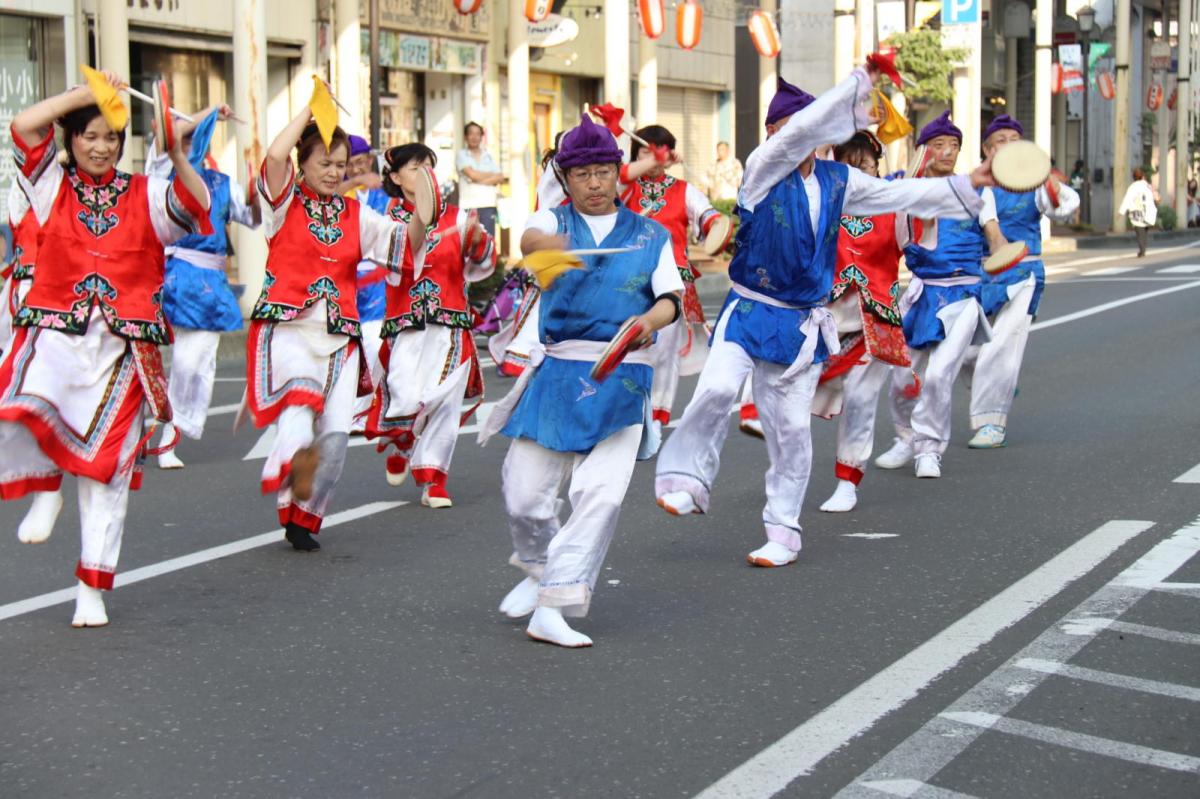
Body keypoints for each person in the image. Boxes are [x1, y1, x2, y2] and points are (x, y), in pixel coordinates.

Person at [654, 75, 993, 569]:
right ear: (772, 133)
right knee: (716, 391)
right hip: (749, 309)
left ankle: (783, 531)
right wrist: (860, 83)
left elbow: (891, 197)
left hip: (801, 325)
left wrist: (968, 184)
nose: (803, 137)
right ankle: (688, 479)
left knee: (790, 431)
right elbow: (796, 137)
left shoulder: (838, 180)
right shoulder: (762, 168)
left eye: (814, 128)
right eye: (792, 129)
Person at [0, 71, 212, 626]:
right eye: (89, 135)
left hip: (122, 352)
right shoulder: (50, 187)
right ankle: (47, 486)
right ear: (71, 141)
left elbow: (194, 203)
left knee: (107, 473)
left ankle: (90, 586)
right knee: (15, 415)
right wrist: (85, 95)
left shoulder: (145, 193)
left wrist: (176, 152)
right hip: (55, 339)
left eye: (112, 137)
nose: (101, 146)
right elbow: (23, 126)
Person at [479, 113, 683, 647]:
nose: (594, 184)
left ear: (620, 173)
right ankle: (540, 568)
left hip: (623, 372)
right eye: (582, 174)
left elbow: (671, 299)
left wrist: (646, 323)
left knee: (601, 494)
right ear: (566, 179)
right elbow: (529, 236)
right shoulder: (552, 220)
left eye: (603, 172)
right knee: (524, 495)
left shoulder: (650, 235)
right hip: (556, 370)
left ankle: (555, 605)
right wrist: (542, 251)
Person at [248, 106, 424, 552]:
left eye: (340, 164)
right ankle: (289, 469)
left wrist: (425, 208)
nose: (333, 172)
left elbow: (403, 245)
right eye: (324, 162)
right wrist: (311, 109)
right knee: (297, 414)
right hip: (289, 328)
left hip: (341, 336)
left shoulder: (355, 214)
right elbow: (273, 154)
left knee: (336, 436)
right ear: (302, 163)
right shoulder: (282, 202)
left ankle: (304, 513)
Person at [366, 143, 495, 507]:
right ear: (394, 177)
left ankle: (434, 479)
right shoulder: (383, 218)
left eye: (429, 166)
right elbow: (399, 260)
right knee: (405, 395)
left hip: (451, 322)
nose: (424, 173)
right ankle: (402, 440)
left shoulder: (457, 216)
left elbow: (483, 261)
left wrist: (478, 243)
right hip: (407, 324)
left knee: (446, 399)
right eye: (414, 167)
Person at [874, 112, 992, 479]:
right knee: (902, 378)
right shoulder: (909, 188)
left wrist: (1004, 253)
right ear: (924, 150)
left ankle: (929, 448)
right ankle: (906, 437)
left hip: (963, 296)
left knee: (940, 375)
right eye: (940, 145)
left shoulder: (975, 191)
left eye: (954, 145)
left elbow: (993, 230)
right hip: (922, 294)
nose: (948, 152)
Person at [146, 104, 261, 469]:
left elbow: (254, 219)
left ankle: (170, 434)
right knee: (140, 357)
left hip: (209, 283)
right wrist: (210, 110)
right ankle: (130, 427)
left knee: (193, 363)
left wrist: (261, 195)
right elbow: (167, 132)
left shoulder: (224, 183)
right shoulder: (163, 170)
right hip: (168, 272)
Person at [963, 115, 1079, 450]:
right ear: (987, 148)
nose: (1009, 143)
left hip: (1022, 275)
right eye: (1001, 138)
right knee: (965, 352)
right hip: (980, 276)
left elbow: (1066, 205)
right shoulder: (972, 184)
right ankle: (1000, 382)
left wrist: (1049, 183)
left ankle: (991, 422)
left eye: (1015, 137)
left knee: (999, 349)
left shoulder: (1033, 184)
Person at [813, 131, 913, 513]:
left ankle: (847, 480)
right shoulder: (823, 203)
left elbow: (920, 243)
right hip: (824, 321)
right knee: (788, 395)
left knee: (859, 398)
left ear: (878, 168)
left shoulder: (895, 207)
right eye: (850, 167)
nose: (860, 175)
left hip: (875, 320)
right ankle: (787, 470)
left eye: (867, 167)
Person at [620, 124, 723, 440]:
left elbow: (708, 218)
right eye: (644, 153)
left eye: (658, 152)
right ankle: (629, 414)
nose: (651, 159)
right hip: (627, 279)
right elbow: (621, 176)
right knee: (627, 347)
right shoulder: (625, 188)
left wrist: (717, 226)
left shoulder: (684, 190)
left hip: (671, 282)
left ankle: (656, 417)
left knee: (663, 351)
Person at [487, 133, 566, 378]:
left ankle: (526, 352)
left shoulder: (558, 171)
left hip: (559, 240)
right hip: (552, 239)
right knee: (539, 304)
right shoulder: (557, 170)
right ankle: (520, 354)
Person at [456, 122, 505, 239]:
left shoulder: (488, 155)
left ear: (481, 137)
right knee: (468, 241)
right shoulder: (461, 155)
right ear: (465, 136)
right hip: (468, 205)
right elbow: (472, 175)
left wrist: (478, 179)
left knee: (488, 240)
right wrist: (490, 176)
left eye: (478, 134)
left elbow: (500, 177)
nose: (474, 137)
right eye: (471, 134)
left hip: (488, 204)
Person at [1118, 167, 1158, 257]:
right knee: (1144, 231)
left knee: (1139, 232)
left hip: (1137, 212)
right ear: (1142, 176)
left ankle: (1142, 249)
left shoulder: (1133, 187)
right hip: (1148, 211)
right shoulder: (1147, 185)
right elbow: (1155, 195)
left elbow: (1127, 199)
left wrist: (1121, 212)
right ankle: (1143, 248)